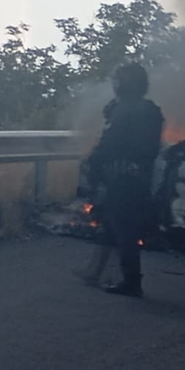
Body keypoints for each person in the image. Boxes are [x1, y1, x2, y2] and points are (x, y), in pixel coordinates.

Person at [81, 63, 164, 297]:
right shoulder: (151, 110)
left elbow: (110, 144)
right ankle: (97, 271)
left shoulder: (125, 110)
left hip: (121, 177)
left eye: (117, 80)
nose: (114, 84)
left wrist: (93, 165)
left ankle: (131, 282)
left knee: (124, 228)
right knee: (112, 222)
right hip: (140, 177)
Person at [73, 99, 120, 287]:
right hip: (121, 186)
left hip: (112, 187)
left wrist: (96, 183)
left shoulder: (116, 132)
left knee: (111, 230)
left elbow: (100, 157)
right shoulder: (138, 131)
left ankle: (107, 274)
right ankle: (98, 272)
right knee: (111, 230)